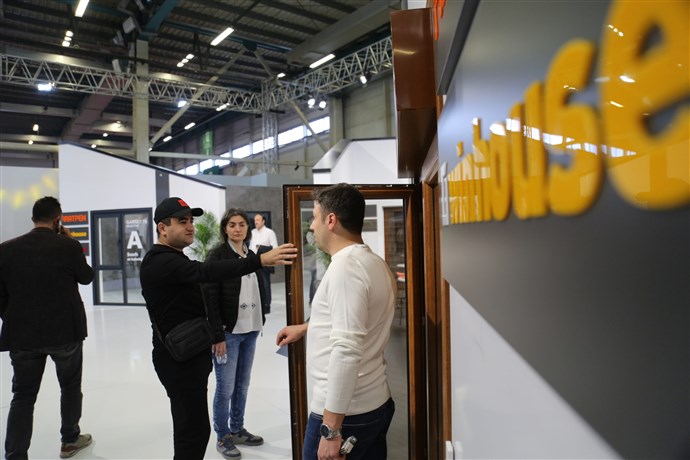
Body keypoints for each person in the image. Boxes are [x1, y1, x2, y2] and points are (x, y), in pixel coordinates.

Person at [140, 197, 297, 460]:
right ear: (162, 228)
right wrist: (259, 261)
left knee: (195, 427)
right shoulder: (161, 261)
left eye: (191, 221)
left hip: (192, 355)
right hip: (179, 360)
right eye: (182, 221)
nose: (190, 227)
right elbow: (207, 274)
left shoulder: (174, 257)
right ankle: (224, 434)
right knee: (193, 431)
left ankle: (235, 428)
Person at [276, 183, 396, 460]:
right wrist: (307, 327)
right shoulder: (373, 261)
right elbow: (359, 320)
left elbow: (347, 350)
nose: (311, 226)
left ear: (331, 220)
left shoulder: (346, 268)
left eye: (314, 217)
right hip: (372, 403)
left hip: (346, 415)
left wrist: (330, 430)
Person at [0, 196, 95, 460]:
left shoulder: (5, 249)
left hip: (22, 336)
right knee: (70, 387)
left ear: (33, 218)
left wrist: (12, 318)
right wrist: (69, 241)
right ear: (57, 220)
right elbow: (87, 277)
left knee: (22, 395)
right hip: (65, 333)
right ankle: (70, 440)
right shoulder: (68, 245)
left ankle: (15, 454)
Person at [204, 209, 266, 459]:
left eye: (241, 224)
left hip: (251, 329)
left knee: (242, 384)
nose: (237, 229)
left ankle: (237, 429)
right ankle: (222, 436)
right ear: (225, 228)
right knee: (225, 387)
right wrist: (217, 334)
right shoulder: (217, 256)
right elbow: (209, 297)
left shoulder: (250, 255)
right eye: (232, 225)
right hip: (228, 333)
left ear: (248, 228)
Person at [249, 214, 278, 315]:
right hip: (254, 262)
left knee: (265, 285)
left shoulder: (269, 232)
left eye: (258, 220)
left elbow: (275, 247)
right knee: (254, 285)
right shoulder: (252, 232)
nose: (255, 222)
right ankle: (258, 305)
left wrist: (261, 248)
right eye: (255, 220)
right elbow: (251, 247)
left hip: (266, 262)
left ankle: (266, 305)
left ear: (263, 221)